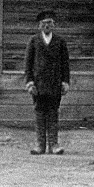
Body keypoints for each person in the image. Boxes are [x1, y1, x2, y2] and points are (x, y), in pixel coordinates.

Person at [24, 10, 71, 155]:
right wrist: (29, 82)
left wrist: (65, 82)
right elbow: (28, 64)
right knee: (39, 113)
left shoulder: (60, 41)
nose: (46, 26)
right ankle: (40, 145)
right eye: (44, 23)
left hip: (55, 84)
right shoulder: (34, 41)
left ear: (53, 25)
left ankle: (54, 145)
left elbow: (65, 64)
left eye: (49, 23)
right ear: (39, 25)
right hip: (38, 85)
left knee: (53, 112)